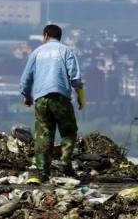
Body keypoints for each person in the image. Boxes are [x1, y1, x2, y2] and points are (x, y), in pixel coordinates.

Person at [20, 24, 85, 182]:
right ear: (59, 37)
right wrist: (80, 95)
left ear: (46, 35)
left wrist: (27, 96)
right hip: (60, 97)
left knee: (43, 135)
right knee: (68, 131)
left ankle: (43, 173)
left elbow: (25, 79)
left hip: (41, 99)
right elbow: (75, 77)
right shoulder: (66, 51)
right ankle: (65, 162)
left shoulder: (37, 52)